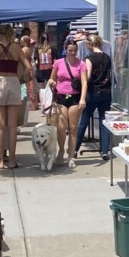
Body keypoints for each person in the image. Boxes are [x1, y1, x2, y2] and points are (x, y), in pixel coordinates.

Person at [0, 23, 31, 169]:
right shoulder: (17, 48)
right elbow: (28, 68)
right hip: (13, 82)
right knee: (12, 127)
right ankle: (12, 161)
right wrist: (22, 78)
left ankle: (0, 161)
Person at [48, 38, 87, 169]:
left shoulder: (81, 64)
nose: (72, 53)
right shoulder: (58, 63)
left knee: (73, 128)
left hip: (75, 97)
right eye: (70, 50)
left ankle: (71, 156)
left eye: (74, 50)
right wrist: (51, 82)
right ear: (65, 49)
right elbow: (52, 78)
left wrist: (82, 98)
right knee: (61, 127)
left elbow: (84, 83)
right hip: (61, 96)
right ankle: (61, 151)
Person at [74, 32, 113, 161]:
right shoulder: (107, 57)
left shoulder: (89, 58)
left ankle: (75, 148)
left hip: (93, 92)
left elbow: (88, 76)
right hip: (106, 92)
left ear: (90, 44)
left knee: (84, 120)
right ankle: (105, 151)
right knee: (104, 121)